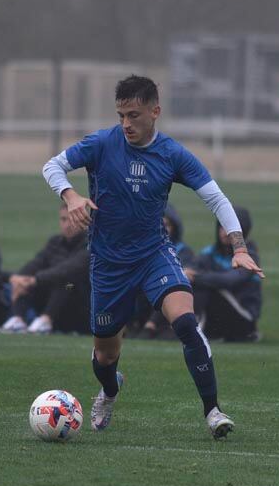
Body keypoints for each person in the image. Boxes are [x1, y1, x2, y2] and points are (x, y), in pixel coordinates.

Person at [41, 75, 264, 439]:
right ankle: (110, 391)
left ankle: (213, 412)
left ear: (155, 112)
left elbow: (217, 199)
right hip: (108, 263)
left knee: (186, 324)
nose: (126, 124)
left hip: (154, 255)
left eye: (134, 114)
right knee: (105, 356)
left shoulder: (174, 155)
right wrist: (71, 196)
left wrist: (239, 247)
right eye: (121, 116)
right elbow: (51, 166)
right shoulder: (101, 143)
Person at [0, 203, 90, 335]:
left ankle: (46, 319)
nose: (67, 224)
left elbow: (69, 269)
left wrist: (35, 280)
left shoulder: (91, 244)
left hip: (81, 303)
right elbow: (37, 263)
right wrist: (19, 278)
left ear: (84, 221)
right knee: (25, 280)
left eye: (72, 219)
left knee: (66, 280)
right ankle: (18, 319)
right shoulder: (55, 242)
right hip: (54, 300)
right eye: (63, 219)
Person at [188, 206, 262, 343]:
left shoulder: (250, 257)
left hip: (244, 316)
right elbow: (191, 271)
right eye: (222, 227)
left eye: (231, 230)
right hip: (219, 316)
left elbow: (230, 280)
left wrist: (197, 277)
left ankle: (196, 332)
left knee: (210, 288)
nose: (225, 233)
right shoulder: (208, 253)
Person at [129, 203, 194, 339]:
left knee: (170, 285)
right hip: (145, 301)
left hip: (169, 306)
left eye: (168, 225)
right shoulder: (142, 249)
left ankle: (152, 325)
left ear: (175, 227)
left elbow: (188, 274)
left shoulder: (183, 250)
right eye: (159, 224)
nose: (164, 228)